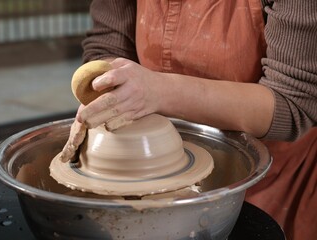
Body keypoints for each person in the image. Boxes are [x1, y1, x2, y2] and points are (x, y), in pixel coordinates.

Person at [66, 1, 317, 239]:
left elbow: (292, 103)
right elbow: (108, 44)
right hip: (149, 170)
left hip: (273, 175)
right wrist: (108, 90)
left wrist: (159, 91)